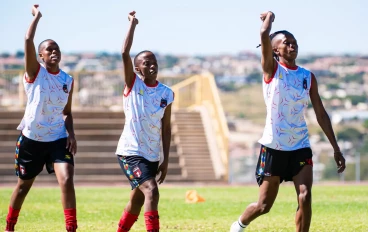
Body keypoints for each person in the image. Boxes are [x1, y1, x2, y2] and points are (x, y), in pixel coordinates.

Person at [230, 11, 346, 232]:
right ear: (275, 49)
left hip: (300, 146)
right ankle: (239, 225)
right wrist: (269, 19)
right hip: (273, 146)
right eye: (287, 43)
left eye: (294, 43)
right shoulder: (271, 70)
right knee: (264, 206)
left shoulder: (307, 76)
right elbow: (264, 33)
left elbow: (321, 114)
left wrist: (336, 147)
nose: (292, 46)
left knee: (305, 195)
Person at [5, 5, 78, 232]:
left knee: (66, 179)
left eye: (56, 49)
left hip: (57, 137)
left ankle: (71, 228)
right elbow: (28, 40)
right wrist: (36, 18)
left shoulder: (68, 80)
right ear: (40, 56)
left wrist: (71, 133)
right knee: (23, 187)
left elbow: (67, 111)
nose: (54, 52)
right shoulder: (35, 73)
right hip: (32, 139)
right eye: (49, 50)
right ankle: (9, 226)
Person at [115, 11, 174, 232]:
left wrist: (165, 159)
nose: (152, 66)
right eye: (146, 63)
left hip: (151, 154)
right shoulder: (133, 85)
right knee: (151, 191)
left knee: (137, 201)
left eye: (154, 62)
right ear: (137, 69)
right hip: (130, 152)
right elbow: (124, 52)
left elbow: (165, 129)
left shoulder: (167, 93)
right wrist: (132, 24)